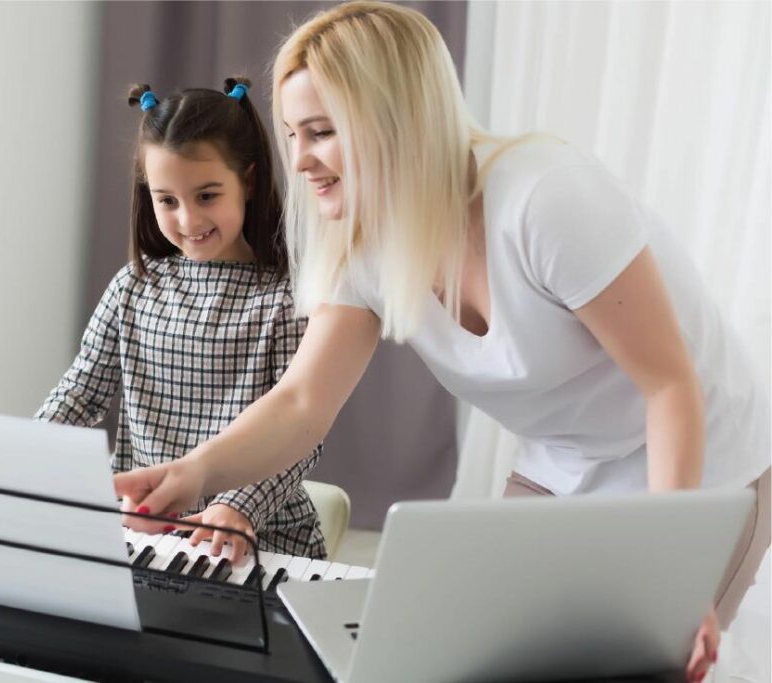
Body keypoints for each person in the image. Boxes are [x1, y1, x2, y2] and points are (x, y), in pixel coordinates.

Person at [113, 3, 770, 680]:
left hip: (702, 457)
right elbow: (304, 400)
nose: (300, 159)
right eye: (291, 134)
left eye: (321, 132)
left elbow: (669, 385)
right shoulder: (359, 239)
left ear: (393, 116)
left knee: (649, 661)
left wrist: (670, 575)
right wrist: (192, 473)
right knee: (483, 653)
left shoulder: (546, 199)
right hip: (563, 461)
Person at [38, 77, 327, 563]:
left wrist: (239, 506)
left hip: (252, 539)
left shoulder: (286, 300)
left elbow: (300, 434)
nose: (188, 220)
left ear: (248, 181)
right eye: (167, 200)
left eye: (207, 196)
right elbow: (80, 393)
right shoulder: (132, 286)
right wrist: (21, 457)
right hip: (143, 535)